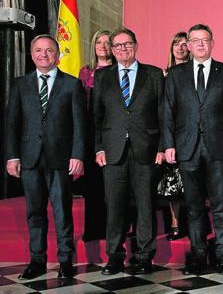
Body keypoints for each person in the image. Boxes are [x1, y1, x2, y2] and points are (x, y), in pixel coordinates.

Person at [5, 35, 86, 281]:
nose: (43, 54)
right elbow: (12, 124)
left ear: (57, 54)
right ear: (31, 55)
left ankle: (65, 262)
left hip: (60, 159)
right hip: (29, 159)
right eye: (38, 50)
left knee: (63, 212)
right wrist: (12, 156)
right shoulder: (20, 85)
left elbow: (79, 125)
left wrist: (77, 155)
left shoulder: (71, 85)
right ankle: (37, 261)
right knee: (34, 212)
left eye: (49, 50)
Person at [163, 23, 223, 276]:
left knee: (220, 205)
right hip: (187, 149)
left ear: (212, 43)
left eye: (204, 40)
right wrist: (169, 144)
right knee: (194, 206)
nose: (200, 44)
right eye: (194, 40)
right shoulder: (176, 74)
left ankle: (221, 256)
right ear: (188, 44)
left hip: (218, 149)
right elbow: (168, 113)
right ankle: (197, 255)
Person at [93, 27, 165, 275]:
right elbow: (96, 116)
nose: (123, 49)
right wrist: (98, 147)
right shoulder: (102, 77)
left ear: (136, 45)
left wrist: (163, 147)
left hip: (146, 149)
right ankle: (114, 256)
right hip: (112, 151)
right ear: (111, 50)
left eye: (127, 44)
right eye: (118, 46)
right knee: (114, 206)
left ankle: (145, 256)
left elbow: (163, 114)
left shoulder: (154, 75)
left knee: (146, 205)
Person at [78, 29, 113, 244]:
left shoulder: (120, 70)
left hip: (114, 132)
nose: (102, 46)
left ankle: (113, 228)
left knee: (113, 185)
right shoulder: (86, 72)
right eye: (98, 42)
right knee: (93, 185)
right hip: (91, 133)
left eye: (107, 42)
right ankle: (93, 228)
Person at [158, 31, 190, 241]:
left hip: (190, 134)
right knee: (172, 183)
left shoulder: (193, 73)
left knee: (190, 181)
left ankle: (192, 221)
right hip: (170, 135)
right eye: (176, 44)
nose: (180, 47)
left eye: (183, 44)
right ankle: (175, 222)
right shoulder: (162, 75)